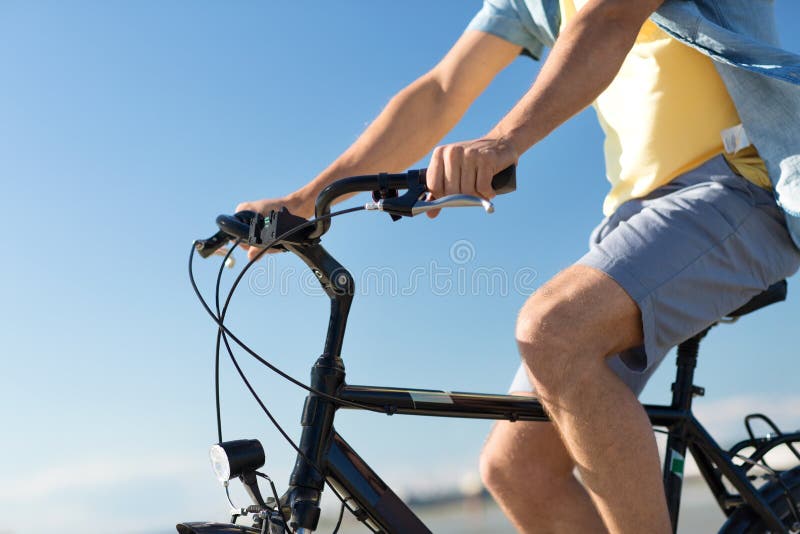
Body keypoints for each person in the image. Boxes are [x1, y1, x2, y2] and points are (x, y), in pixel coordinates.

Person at [236, 0, 800, 531]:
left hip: (741, 182)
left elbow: (607, 21)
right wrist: (305, 200)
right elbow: (440, 89)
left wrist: (502, 140)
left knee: (555, 330)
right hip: (636, 214)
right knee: (516, 469)